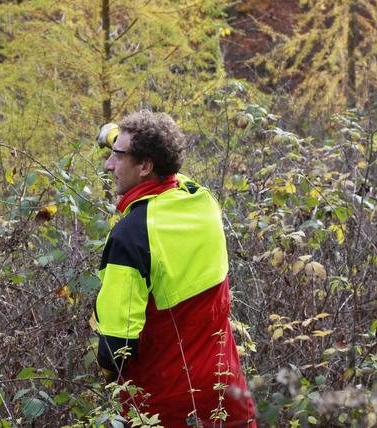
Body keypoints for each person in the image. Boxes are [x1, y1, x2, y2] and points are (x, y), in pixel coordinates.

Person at [94, 110, 256, 427]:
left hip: (164, 408)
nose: (108, 165)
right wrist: (115, 137)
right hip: (226, 398)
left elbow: (116, 347)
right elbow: (168, 168)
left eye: (118, 156)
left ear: (145, 166)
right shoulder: (202, 201)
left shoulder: (131, 236)